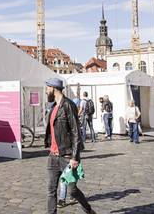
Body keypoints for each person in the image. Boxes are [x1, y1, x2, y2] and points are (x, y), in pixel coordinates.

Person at [44, 78, 96, 214]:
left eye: (47, 88)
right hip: (53, 156)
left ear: (53, 88)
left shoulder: (68, 105)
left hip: (67, 157)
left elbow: (76, 132)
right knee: (51, 190)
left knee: (72, 191)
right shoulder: (53, 107)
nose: (46, 91)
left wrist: (75, 157)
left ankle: (89, 210)